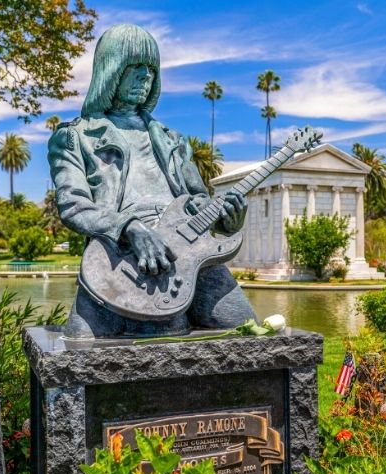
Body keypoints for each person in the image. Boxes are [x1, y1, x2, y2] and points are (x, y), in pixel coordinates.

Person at [48, 24, 255, 338]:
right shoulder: (74, 137)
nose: (145, 77)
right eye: (134, 68)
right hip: (118, 260)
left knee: (246, 328)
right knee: (138, 336)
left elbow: (198, 202)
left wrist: (229, 220)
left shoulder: (173, 140)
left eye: (151, 70)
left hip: (189, 253)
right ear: (111, 70)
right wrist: (129, 228)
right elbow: (74, 207)